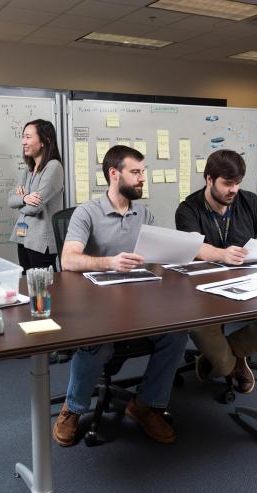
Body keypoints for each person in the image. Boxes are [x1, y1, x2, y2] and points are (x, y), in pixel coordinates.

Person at [54, 145, 188, 446]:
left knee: (176, 334)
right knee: (96, 346)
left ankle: (145, 405)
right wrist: (110, 262)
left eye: (143, 172)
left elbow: (158, 253)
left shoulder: (145, 212)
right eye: (136, 172)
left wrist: (175, 254)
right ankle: (73, 408)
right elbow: (69, 260)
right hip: (96, 303)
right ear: (114, 174)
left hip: (139, 300)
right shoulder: (87, 212)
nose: (142, 178)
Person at [175, 149, 257, 393]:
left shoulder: (251, 202)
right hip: (205, 290)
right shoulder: (188, 208)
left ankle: (225, 354)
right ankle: (229, 366)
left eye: (237, 183)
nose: (233, 190)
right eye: (227, 184)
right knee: (198, 327)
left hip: (249, 284)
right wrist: (221, 254)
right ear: (210, 180)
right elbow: (195, 246)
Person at [8, 119, 64, 271]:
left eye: (28, 137)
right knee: (28, 287)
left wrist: (20, 203)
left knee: (43, 290)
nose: (23, 142)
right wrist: (25, 198)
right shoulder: (28, 169)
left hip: (41, 241)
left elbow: (35, 208)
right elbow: (10, 199)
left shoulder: (53, 166)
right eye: (23, 137)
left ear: (44, 141)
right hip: (23, 238)